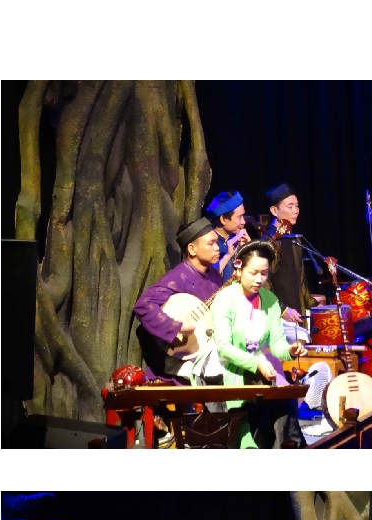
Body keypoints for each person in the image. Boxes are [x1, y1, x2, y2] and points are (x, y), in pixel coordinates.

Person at [201, 240, 308, 448]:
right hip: (223, 368)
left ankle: (287, 447)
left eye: (264, 273)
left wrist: (290, 349)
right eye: (253, 273)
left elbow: (276, 343)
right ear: (238, 268)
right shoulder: (225, 299)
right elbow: (224, 346)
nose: (259, 279)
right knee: (263, 403)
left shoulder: (270, 300)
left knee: (282, 401)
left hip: (257, 367)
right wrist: (256, 363)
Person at [133, 217, 222, 382]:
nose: (217, 248)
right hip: (181, 356)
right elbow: (143, 305)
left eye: (217, 242)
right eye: (211, 243)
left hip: (208, 347)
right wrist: (176, 327)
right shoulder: (178, 277)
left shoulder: (214, 276)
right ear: (192, 249)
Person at [262, 183, 326, 328]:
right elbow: (263, 285)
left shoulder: (294, 239)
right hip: (278, 319)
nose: (295, 211)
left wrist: (314, 305)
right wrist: (282, 309)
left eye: (297, 206)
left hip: (298, 315)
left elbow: (300, 281)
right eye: (290, 207)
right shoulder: (268, 242)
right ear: (274, 210)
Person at [205, 191, 251, 281]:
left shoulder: (238, 240)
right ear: (223, 219)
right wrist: (227, 256)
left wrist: (248, 248)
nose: (243, 222)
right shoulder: (208, 244)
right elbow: (207, 278)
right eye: (239, 217)